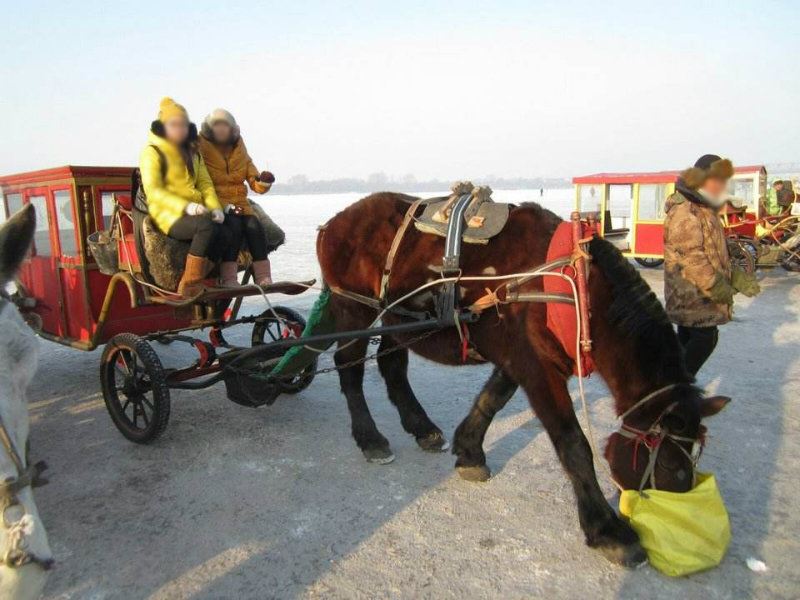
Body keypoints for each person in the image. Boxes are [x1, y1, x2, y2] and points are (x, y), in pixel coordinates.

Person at [663, 154, 760, 376]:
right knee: (705, 339)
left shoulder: (703, 207)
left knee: (689, 340)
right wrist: (717, 285)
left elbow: (713, 247)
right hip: (692, 291)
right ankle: (675, 390)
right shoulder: (686, 211)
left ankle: (673, 388)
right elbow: (692, 257)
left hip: (697, 292)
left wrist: (734, 273)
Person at [139, 97, 225, 297]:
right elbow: (154, 191)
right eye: (174, 125)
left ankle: (201, 277)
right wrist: (187, 207)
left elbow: (205, 183)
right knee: (205, 225)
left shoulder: (193, 152)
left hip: (196, 212)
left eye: (183, 125)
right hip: (167, 215)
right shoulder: (152, 152)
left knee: (226, 230)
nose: (180, 129)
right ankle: (188, 286)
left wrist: (216, 208)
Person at [198, 108, 278, 287]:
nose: (221, 130)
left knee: (254, 226)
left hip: (241, 204)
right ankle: (229, 279)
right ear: (209, 128)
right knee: (233, 225)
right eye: (217, 125)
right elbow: (198, 178)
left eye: (225, 125)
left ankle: (264, 277)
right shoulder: (200, 147)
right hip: (215, 202)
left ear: (232, 128)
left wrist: (263, 181)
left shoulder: (240, 149)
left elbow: (253, 180)